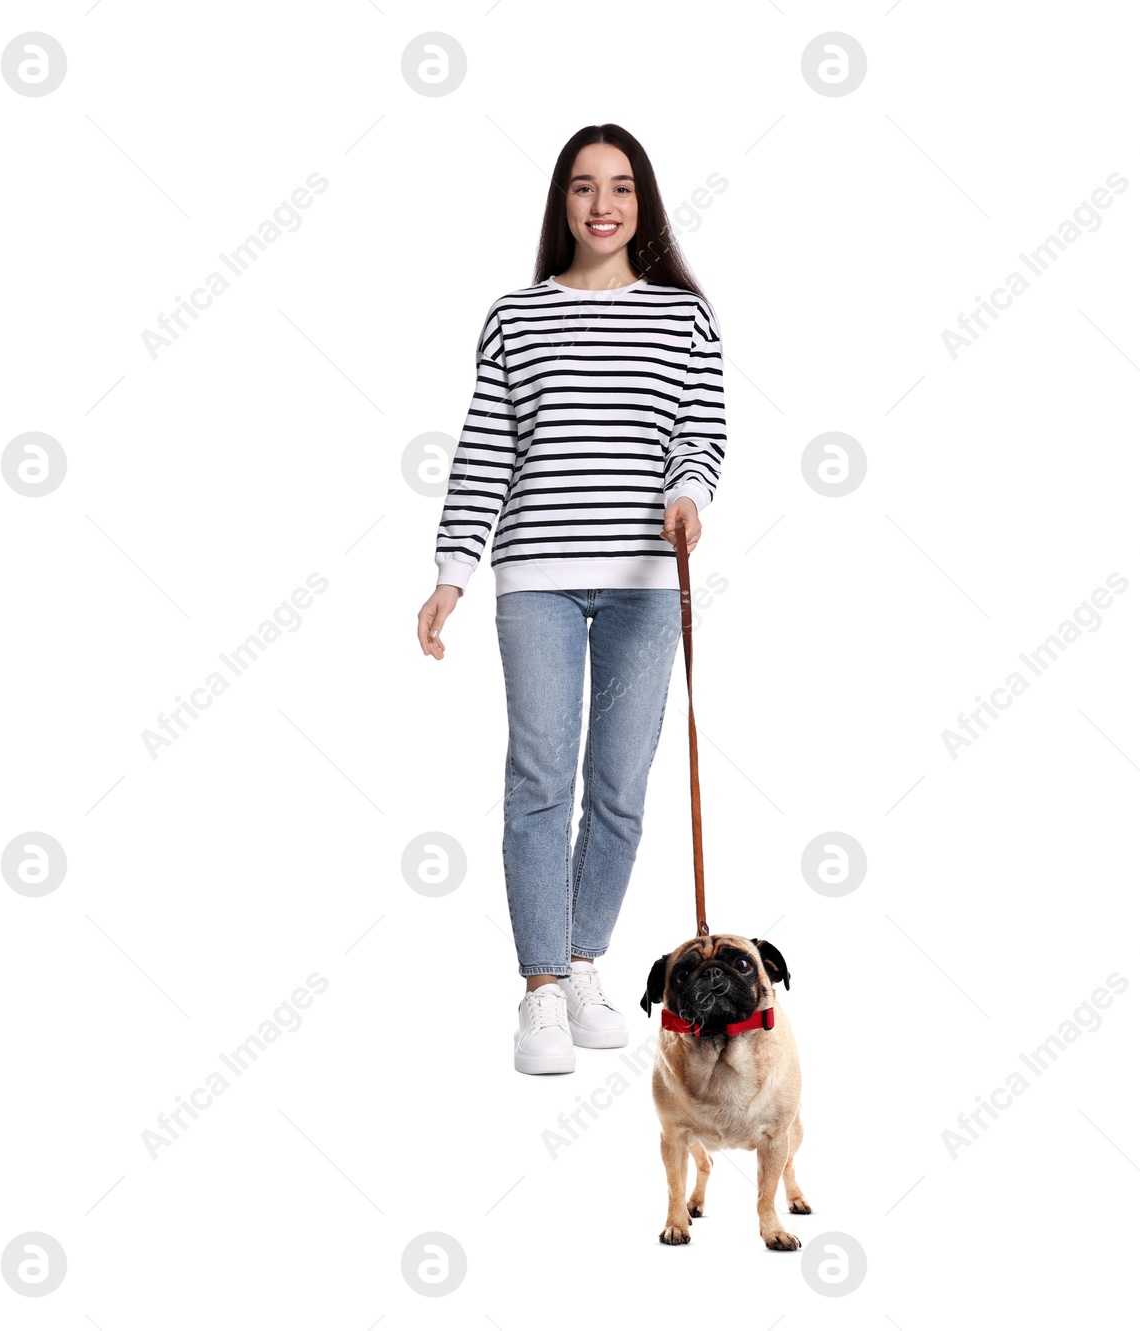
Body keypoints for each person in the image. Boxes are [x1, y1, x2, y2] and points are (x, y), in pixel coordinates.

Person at [416, 124, 727, 1075]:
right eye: (585, 187)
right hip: (537, 578)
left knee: (621, 790)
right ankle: (542, 989)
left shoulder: (685, 318)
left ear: (645, 202)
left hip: (643, 578)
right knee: (542, 780)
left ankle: (585, 960)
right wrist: (451, 574)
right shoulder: (516, 315)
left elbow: (700, 431)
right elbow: (486, 451)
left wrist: (687, 495)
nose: (604, 205)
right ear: (562, 203)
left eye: (622, 187)